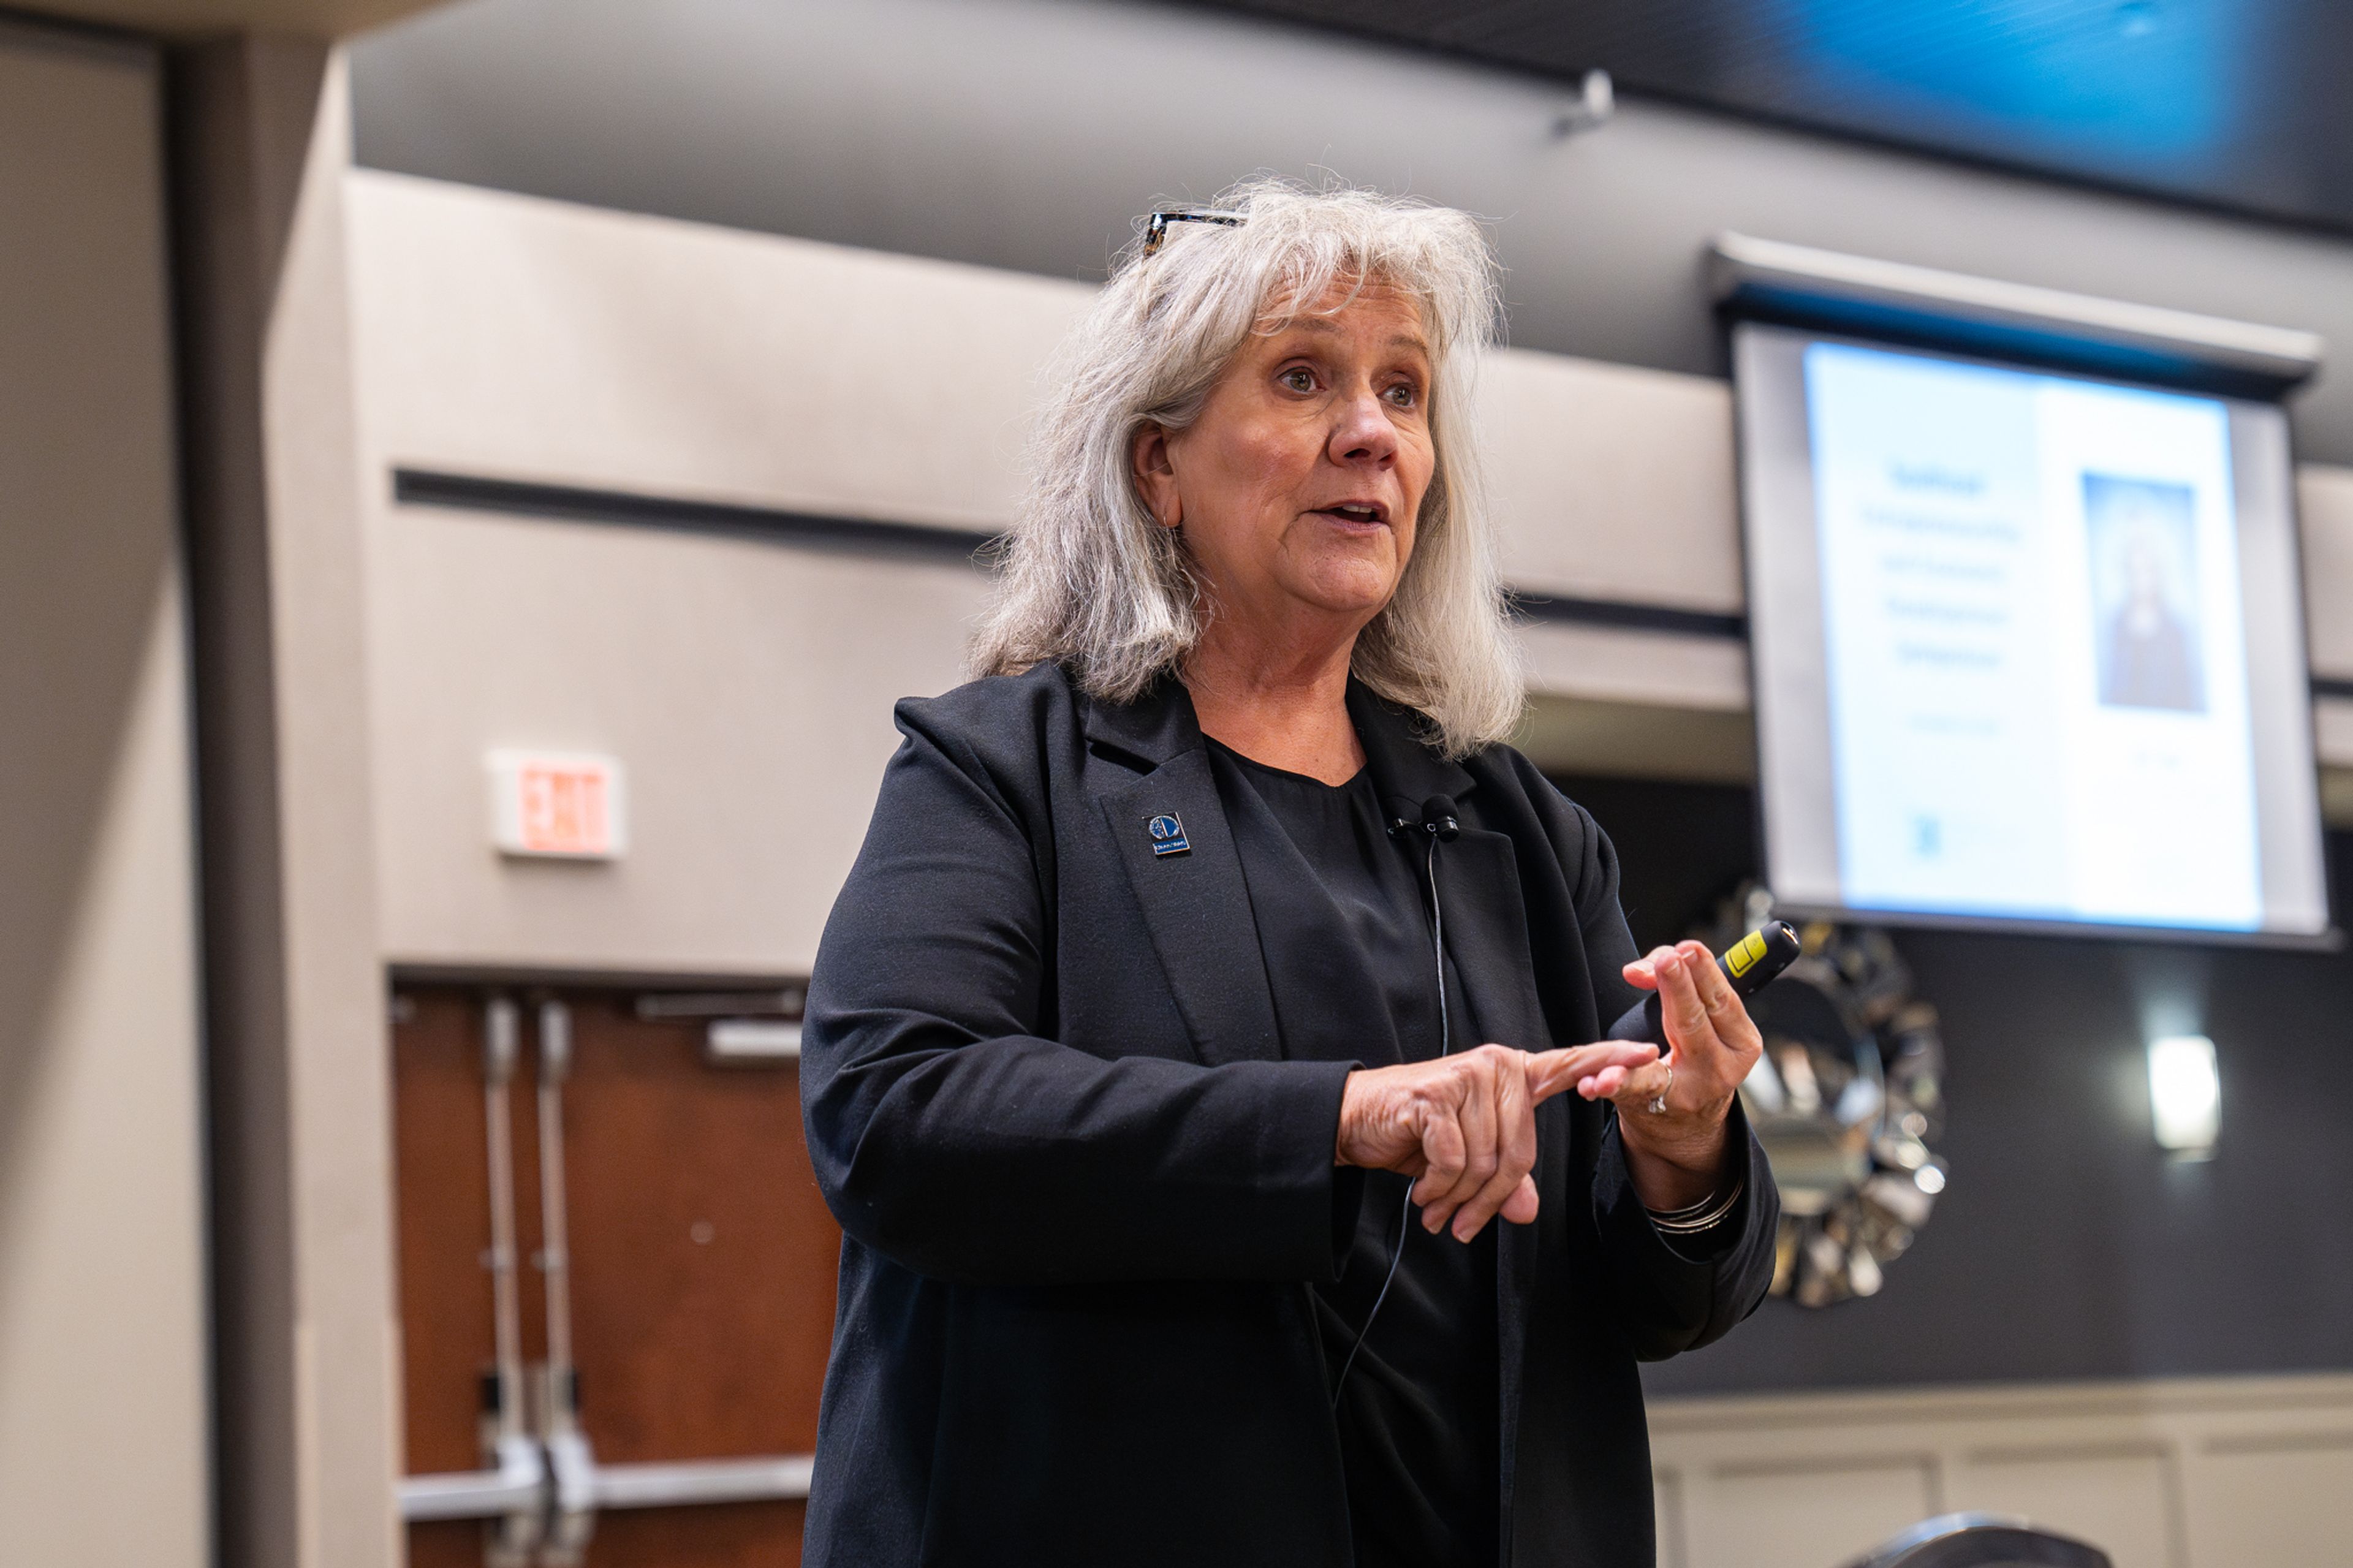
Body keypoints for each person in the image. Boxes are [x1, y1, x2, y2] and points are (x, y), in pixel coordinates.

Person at [798, 180, 1779, 1568]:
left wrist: (1681, 1153)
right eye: (1305, 377)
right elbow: (891, 1112)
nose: (1371, 432)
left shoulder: (1522, 828)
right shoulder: (1005, 772)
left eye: (1405, 390)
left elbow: (1658, 1296)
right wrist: (1339, 1117)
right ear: (1159, 466)